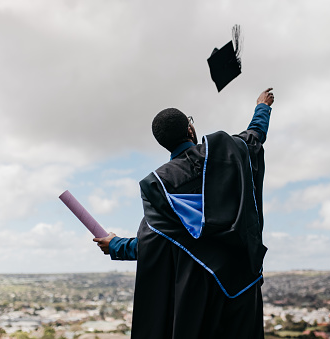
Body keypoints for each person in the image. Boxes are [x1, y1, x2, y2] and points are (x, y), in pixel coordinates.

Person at [94, 88, 274, 339]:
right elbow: (254, 137)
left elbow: (152, 244)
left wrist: (116, 245)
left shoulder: (160, 184)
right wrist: (262, 108)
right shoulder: (229, 154)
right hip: (242, 283)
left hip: (197, 292)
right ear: (190, 129)